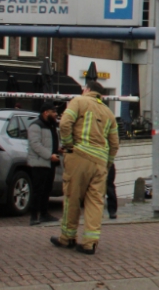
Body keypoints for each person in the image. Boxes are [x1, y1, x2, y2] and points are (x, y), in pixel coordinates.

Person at [51, 81, 119, 254]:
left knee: (72, 197)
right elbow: (114, 144)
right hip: (100, 162)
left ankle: (67, 237)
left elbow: (65, 123)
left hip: (79, 155)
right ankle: (90, 242)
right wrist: (107, 162)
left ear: (87, 90)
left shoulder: (78, 102)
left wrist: (68, 145)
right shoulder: (108, 113)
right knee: (95, 201)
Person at [27, 101, 60, 226]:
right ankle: (34, 216)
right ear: (46, 112)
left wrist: (59, 149)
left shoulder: (51, 125)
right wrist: (49, 155)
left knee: (47, 189)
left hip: (50, 162)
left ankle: (44, 214)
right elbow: (35, 144)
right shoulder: (36, 126)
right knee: (38, 190)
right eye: (53, 111)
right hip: (39, 163)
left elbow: (52, 141)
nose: (56, 114)